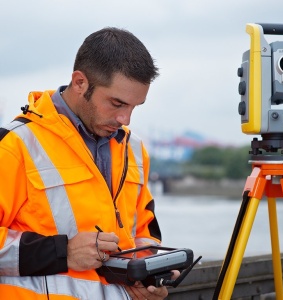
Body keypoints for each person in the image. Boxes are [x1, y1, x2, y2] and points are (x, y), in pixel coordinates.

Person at [0, 27, 178, 299]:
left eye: (134, 106)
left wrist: (146, 274)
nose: (125, 119)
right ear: (80, 82)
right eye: (116, 103)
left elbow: (143, 232)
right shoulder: (15, 145)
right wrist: (63, 252)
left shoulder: (135, 149)